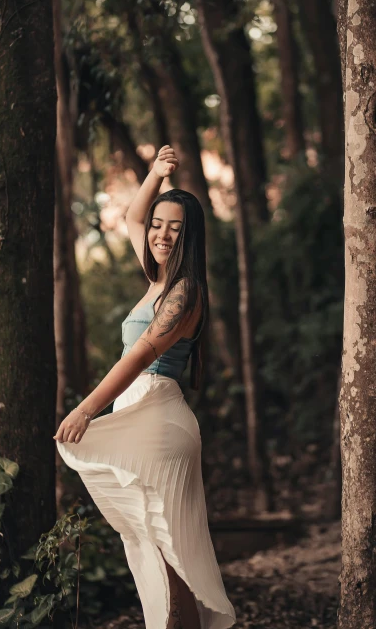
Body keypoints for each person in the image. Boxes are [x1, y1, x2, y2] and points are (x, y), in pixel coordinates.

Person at [54, 145, 236, 629]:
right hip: (141, 413)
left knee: (170, 559)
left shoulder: (185, 291)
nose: (160, 234)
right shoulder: (158, 278)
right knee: (160, 561)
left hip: (157, 419)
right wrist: (155, 173)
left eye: (174, 229)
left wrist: (88, 408)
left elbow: (138, 356)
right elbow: (135, 217)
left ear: (189, 237)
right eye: (160, 225)